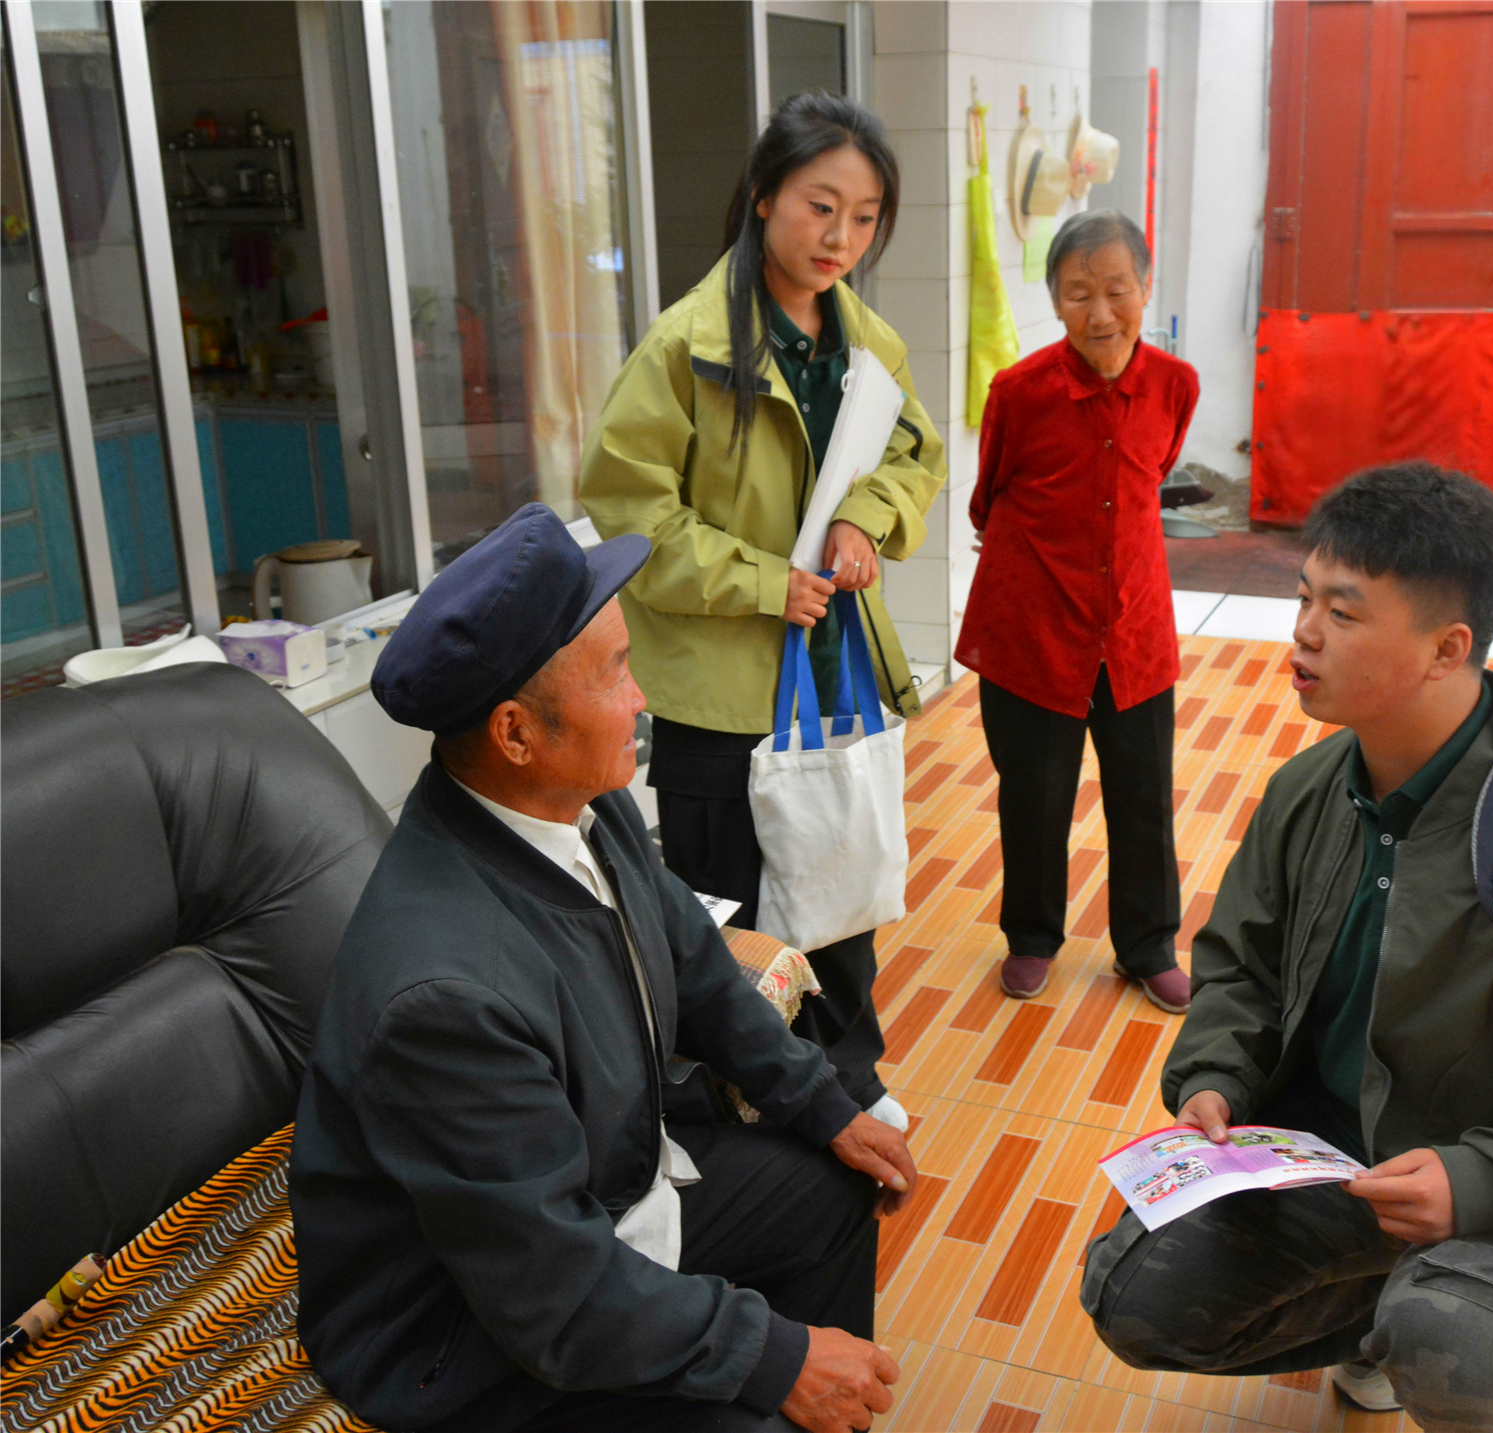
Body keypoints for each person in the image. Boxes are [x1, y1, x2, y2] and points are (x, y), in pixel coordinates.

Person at [1081, 464, 1493, 1430]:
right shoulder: (1312, 788)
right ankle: (1378, 1330)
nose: (1305, 632)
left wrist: (1481, 1181)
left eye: (1344, 612)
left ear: (1448, 647)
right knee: (1135, 1289)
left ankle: (1450, 1325)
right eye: (1303, 598)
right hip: (1352, 1159)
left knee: (1462, 1340)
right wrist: (1218, 1073)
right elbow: (1242, 965)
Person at [290, 505, 918, 1433]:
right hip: (469, 1333)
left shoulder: (581, 803)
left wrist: (822, 1101)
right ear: (515, 733)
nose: (641, 696)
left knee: (830, 1188)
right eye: (616, 670)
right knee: (759, 1410)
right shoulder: (445, 997)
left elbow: (697, 965)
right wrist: (774, 1357)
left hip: (601, 1196)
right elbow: (553, 1292)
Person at [579, 94, 944, 1133]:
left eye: (864, 217)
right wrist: (759, 580)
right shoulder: (685, 346)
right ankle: (743, 1096)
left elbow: (915, 455)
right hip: (718, 688)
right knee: (726, 906)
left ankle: (851, 1072)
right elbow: (630, 512)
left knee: (840, 880)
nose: (840, 238)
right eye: (820, 207)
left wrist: (867, 518)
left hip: (831, 665)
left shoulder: (867, 341)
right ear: (762, 196)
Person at [955, 211, 1199, 1014]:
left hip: (1133, 628)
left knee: (1144, 791)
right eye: (1078, 293)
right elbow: (987, 498)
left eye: (1116, 290)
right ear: (1055, 299)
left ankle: (1148, 945)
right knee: (1033, 792)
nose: (1100, 313)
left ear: (1144, 288)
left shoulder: (1174, 384)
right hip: (1032, 627)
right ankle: (1031, 936)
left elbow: (1153, 470)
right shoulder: (1017, 392)